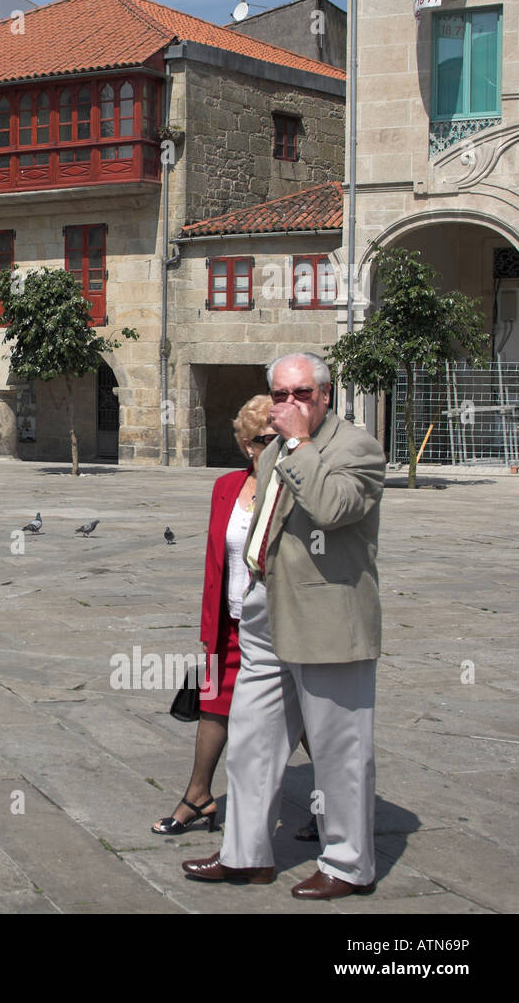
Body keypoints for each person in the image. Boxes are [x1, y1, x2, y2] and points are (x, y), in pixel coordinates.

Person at [182, 352, 385, 899]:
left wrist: (298, 445)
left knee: (339, 751)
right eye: (279, 395)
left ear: (324, 395)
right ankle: (246, 854)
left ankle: (348, 865)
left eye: (300, 394)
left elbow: (332, 508)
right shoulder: (270, 452)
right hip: (264, 614)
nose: (288, 405)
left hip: (327, 619)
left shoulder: (356, 448)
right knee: (251, 739)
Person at [152, 395, 274, 835]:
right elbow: (214, 562)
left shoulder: (295, 489)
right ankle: (198, 796)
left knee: (303, 721)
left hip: (278, 626)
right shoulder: (225, 487)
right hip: (229, 621)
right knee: (212, 706)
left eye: (281, 439)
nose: (273, 446)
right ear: (247, 444)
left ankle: (333, 805)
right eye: (265, 439)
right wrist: (209, 630)